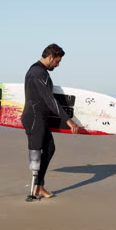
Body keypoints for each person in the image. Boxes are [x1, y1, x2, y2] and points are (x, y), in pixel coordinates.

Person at [21, 43, 79, 198]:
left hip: (38, 117)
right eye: (57, 61)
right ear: (50, 57)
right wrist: (68, 120)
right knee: (37, 153)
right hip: (34, 118)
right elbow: (49, 99)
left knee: (50, 148)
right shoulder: (38, 72)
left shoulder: (37, 71)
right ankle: (34, 190)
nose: (58, 65)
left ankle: (39, 186)